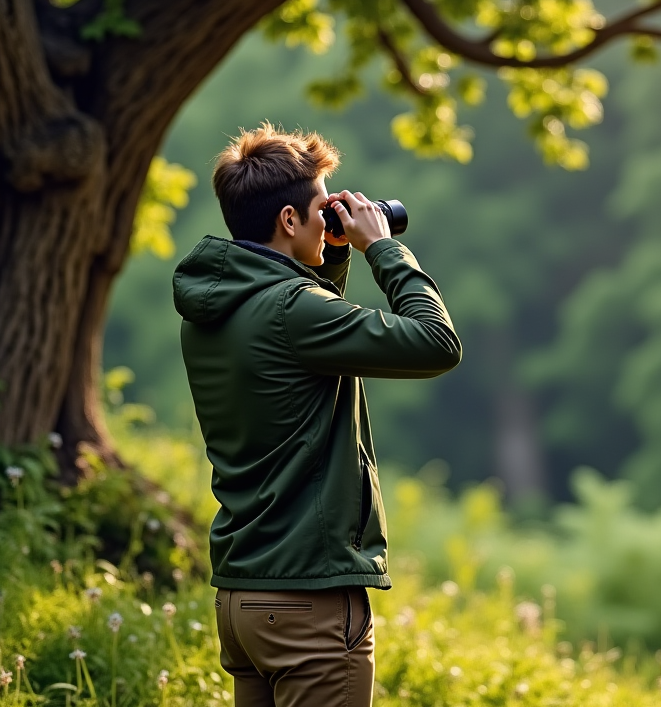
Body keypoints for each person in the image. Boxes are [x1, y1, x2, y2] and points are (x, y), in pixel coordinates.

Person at [173, 122, 462, 707]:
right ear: (287, 220)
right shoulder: (294, 313)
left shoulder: (214, 312)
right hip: (311, 601)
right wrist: (381, 247)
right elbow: (437, 343)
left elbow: (302, 334)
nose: (331, 216)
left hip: (244, 597)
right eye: (320, 208)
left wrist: (323, 255)